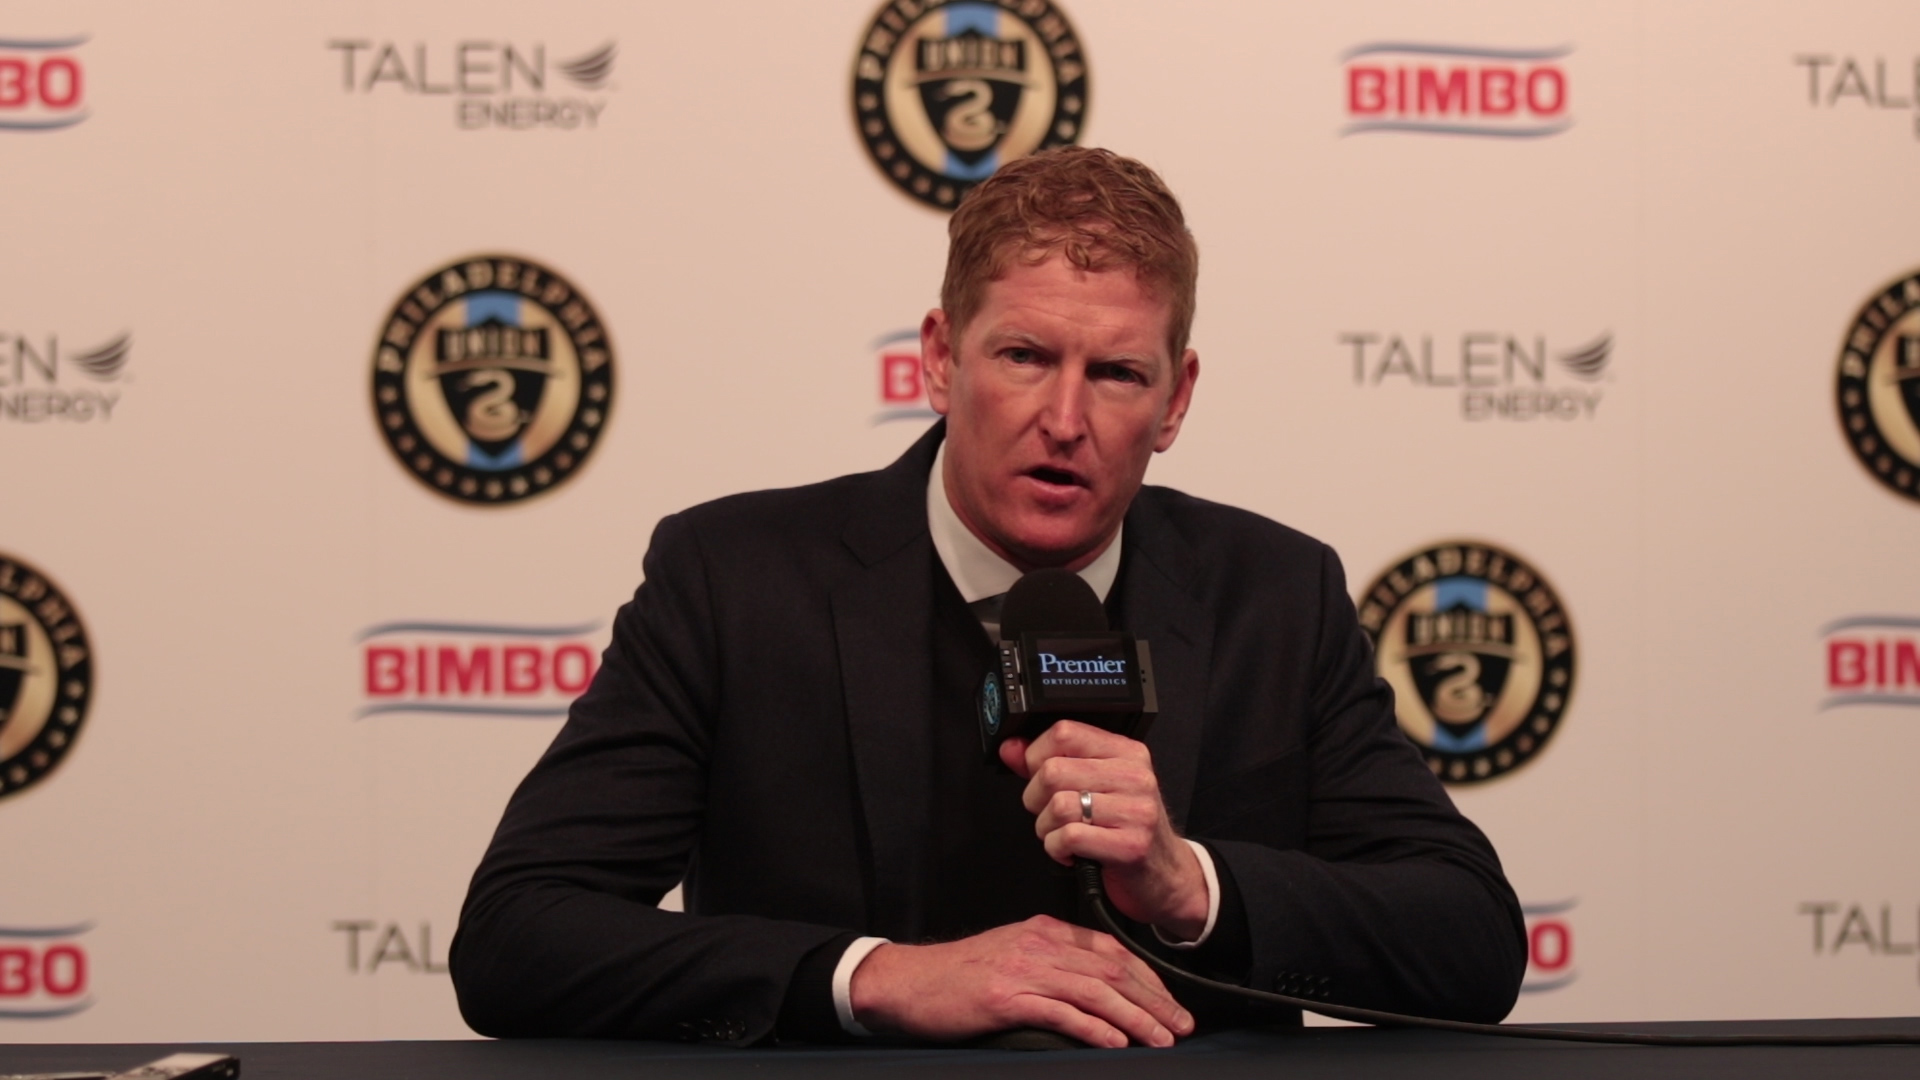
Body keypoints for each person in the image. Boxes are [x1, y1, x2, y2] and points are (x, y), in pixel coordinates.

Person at [451, 147, 1526, 1048]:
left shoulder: (1275, 595)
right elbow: (516, 936)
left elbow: (1472, 941)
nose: (1065, 420)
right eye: (1023, 356)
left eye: (1117, 374)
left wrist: (1190, 885)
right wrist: (878, 978)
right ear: (938, 359)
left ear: (1176, 399)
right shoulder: (733, 580)